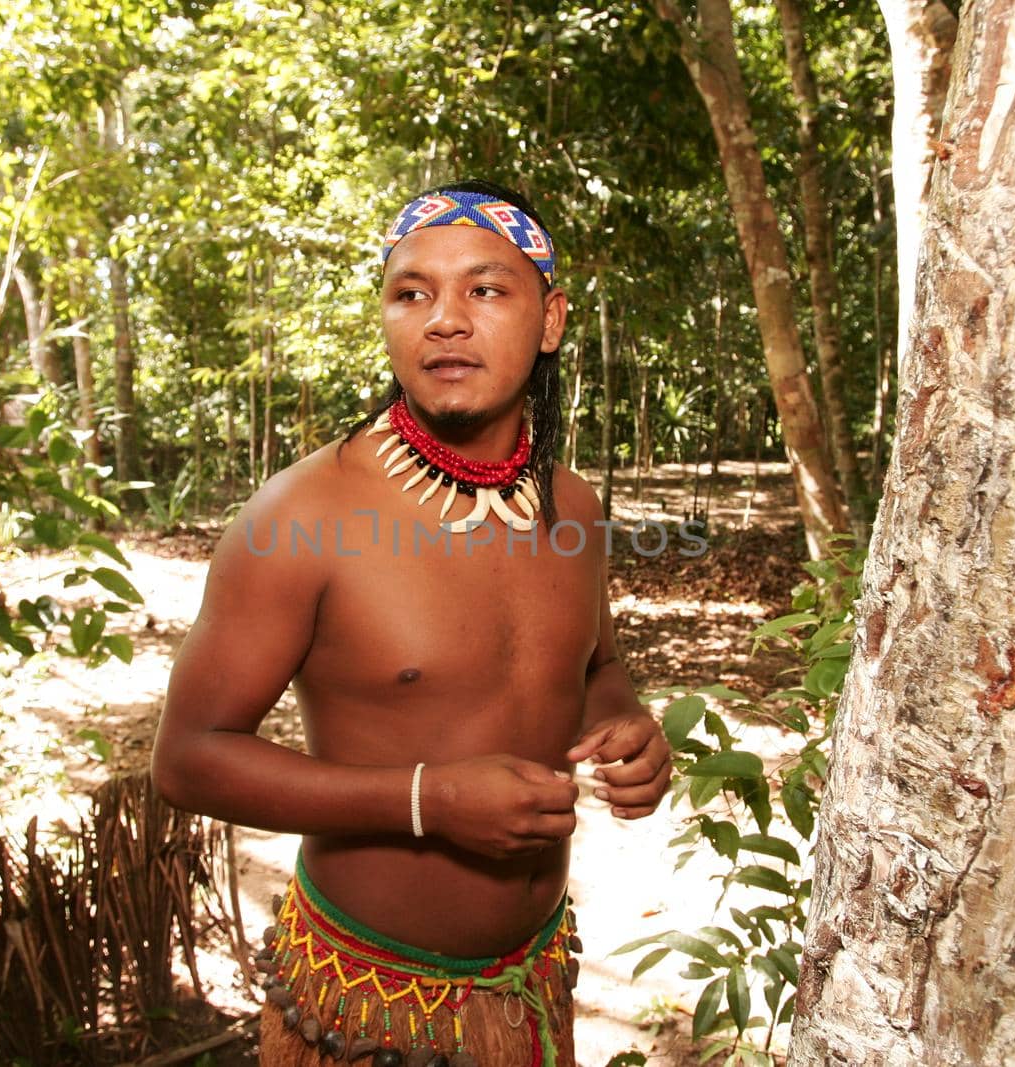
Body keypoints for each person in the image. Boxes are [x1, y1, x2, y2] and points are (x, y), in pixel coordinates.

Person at [152, 179, 672, 1067]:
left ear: (549, 321)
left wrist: (626, 728)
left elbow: (596, 668)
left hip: (531, 984)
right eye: (412, 292)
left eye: (485, 288)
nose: (445, 319)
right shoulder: (299, 517)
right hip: (360, 1004)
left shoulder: (573, 508)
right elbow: (187, 758)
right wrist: (428, 800)